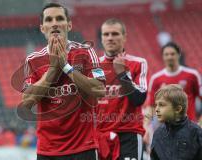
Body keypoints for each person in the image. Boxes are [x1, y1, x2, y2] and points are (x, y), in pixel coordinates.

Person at [20, 3, 105, 160]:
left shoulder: (87, 52)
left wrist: (66, 67)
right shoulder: (32, 60)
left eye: (59, 18)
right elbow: (26, 102)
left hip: (83, 148)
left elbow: (100, 89)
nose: (54, 23)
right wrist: (53, 69)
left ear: (69, 25)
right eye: (49, 20)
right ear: (42, 27)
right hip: (48, 151)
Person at [96, 18, 148, 160]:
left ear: (125, 37)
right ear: (101, 38)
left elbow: (139, 99)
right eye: (106, 34)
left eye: (115, 34)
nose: (110, 38)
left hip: (129, 135)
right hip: (100, 135)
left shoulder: (138, 63)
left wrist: (122, 74)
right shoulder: (94, 66)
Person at [147, 42, 202, 122]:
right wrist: (146, 125)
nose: (169, 57)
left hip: (189, 126)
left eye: (172, 54)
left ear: (178, 55)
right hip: (166, 128)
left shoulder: (192, 75)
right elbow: (150, 106)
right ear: (162, 56)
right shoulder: (156, 79)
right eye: (166, 54)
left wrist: (200, 122)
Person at [150, 84, 202, 160]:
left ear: (178, 109)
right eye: (156, 105)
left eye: (161, 105)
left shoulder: (195, 132)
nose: (156, 109)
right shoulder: (158, 134)